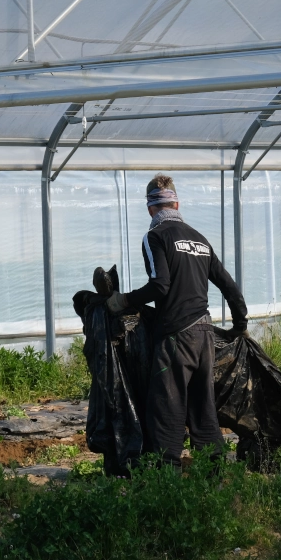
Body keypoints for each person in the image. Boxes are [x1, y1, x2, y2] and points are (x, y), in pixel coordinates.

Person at [106, 174, 248, 465]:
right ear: (177, 203)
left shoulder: (155, 236)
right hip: (205, 333)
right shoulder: (199, 239)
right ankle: (215, 473)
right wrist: (240, 324)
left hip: (176, 337)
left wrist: (124, 300)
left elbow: (160, 285)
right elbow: (229, 285)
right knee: (202, 407)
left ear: (150, 209)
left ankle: (166, 479)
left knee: (166, 409)